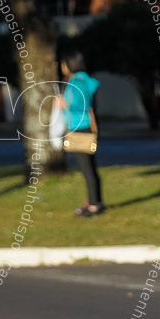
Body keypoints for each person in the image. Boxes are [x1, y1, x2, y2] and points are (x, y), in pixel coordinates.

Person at [57, 50, 104, 216]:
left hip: (79, 127)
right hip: (87, 127)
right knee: (90, 166)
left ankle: (93, 205)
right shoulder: (85, 80)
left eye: (63, 64)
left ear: (70, 65)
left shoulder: (76, 82)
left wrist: (64, 104)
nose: (62, 67)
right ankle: (94, 200)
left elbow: (81, 105)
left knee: (86, 168)